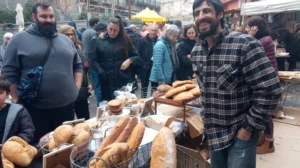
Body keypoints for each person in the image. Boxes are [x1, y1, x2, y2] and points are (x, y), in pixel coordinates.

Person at [191, 1, 282, 168]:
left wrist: (248, 129)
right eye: (197, 13)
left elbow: (271, 90)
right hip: (213, 133)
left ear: (220, 15)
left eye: (206, 11)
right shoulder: (197, 51)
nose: (201, 16)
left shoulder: (245, 44)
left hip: (239, 135)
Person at [2, 2, 83, 145]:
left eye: (51, 16)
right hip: (34, 108)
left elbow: (78, 65)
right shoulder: (18, 40)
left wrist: (75, 89)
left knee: (65, 147)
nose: (49, 20)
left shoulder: (65, 40)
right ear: (34, 16)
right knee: (40, 149)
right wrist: (16, 99)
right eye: (44, 16)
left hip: (66, 107)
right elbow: (9, 71)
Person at [245, 16, 278, 154]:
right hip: (264, 76)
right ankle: (263, 140)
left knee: (265, 111)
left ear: (256, 27)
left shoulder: (262, 41)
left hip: (266, 78)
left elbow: (248, 48)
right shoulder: (265, 39)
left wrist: (249, 36)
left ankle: (269, 143)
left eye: (249, 26)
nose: (246, 29)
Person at [90, 15, 140, 101]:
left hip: (123, 78)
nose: (112, 32)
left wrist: (129, 60)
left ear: (120, 30)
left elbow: (137, 56)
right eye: (110, 29)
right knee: (110, 106)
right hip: (106, 79)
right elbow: (93, 59)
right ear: (107, 27)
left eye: (115, 30)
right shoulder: (100, 40)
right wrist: (100, 71)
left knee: (125, 104)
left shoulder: (125, 40)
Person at [0, 78, 35, 168]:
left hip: (12, 153)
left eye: (0, 93)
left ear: (7, 94)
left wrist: (10, 145)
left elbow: (28, 131)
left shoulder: (19, 111)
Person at [59, 25, 91, 120]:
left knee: (85, 119)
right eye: (67, 34)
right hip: (66, 91)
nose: (70, 37)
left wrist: (89, 83)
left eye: (72, 34)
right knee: (68, 121)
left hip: (81, 90)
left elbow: (85, 68)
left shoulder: (79, 48)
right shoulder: (58, 51)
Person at [150, 25, 180, 89]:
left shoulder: (170, 44)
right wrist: (161, 79)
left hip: (167, 77)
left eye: (176, 36)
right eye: (174, 36)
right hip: (159, 80)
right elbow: (157, 64)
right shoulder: (160, 45)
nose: (175, 38)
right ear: (168, 34)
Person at [82, 18, 102, 106]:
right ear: (95, 24)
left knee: (90, 78)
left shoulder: (85, 32)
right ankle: (99, 104)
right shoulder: (94, 33)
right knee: (97, 82)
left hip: (85, 58)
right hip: (92, 59)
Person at [137, 24, 158, 98]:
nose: (153, 32)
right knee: (144, 86)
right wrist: (142, 64)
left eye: (155, 31)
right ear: (149, 30)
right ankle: (143, 101)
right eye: (152, 30)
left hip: (155, 66)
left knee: (154, 86)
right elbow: (138, 53)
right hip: (145, 66)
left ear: (157, 31)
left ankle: (153, 101)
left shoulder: (159, 40)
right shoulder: (142, 40)